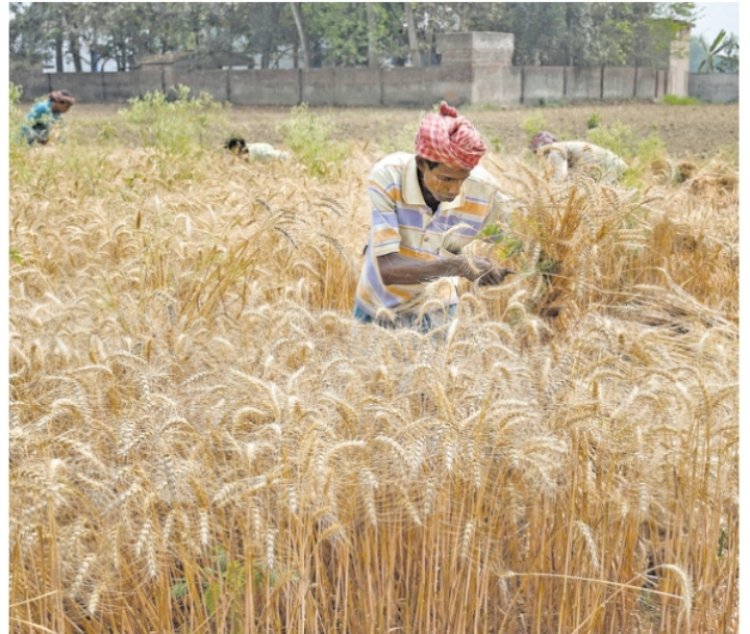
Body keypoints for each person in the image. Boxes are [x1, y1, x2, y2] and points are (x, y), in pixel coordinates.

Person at [353, 101, 515, 333]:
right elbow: (387, 269)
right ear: (421, 163)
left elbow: (527, 233)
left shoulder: (484, 191)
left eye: (463, 178)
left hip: (436, 311)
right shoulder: (388, 177)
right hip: (376, 307)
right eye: (447, 179)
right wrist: (459, 265)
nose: (455, 190)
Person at [530, 131, 626, 183]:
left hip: (610, 169)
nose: (538, 156)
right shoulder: (563, 146)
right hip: (617, 165)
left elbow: (560, 178)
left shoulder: (555, 150)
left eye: (536, 152)